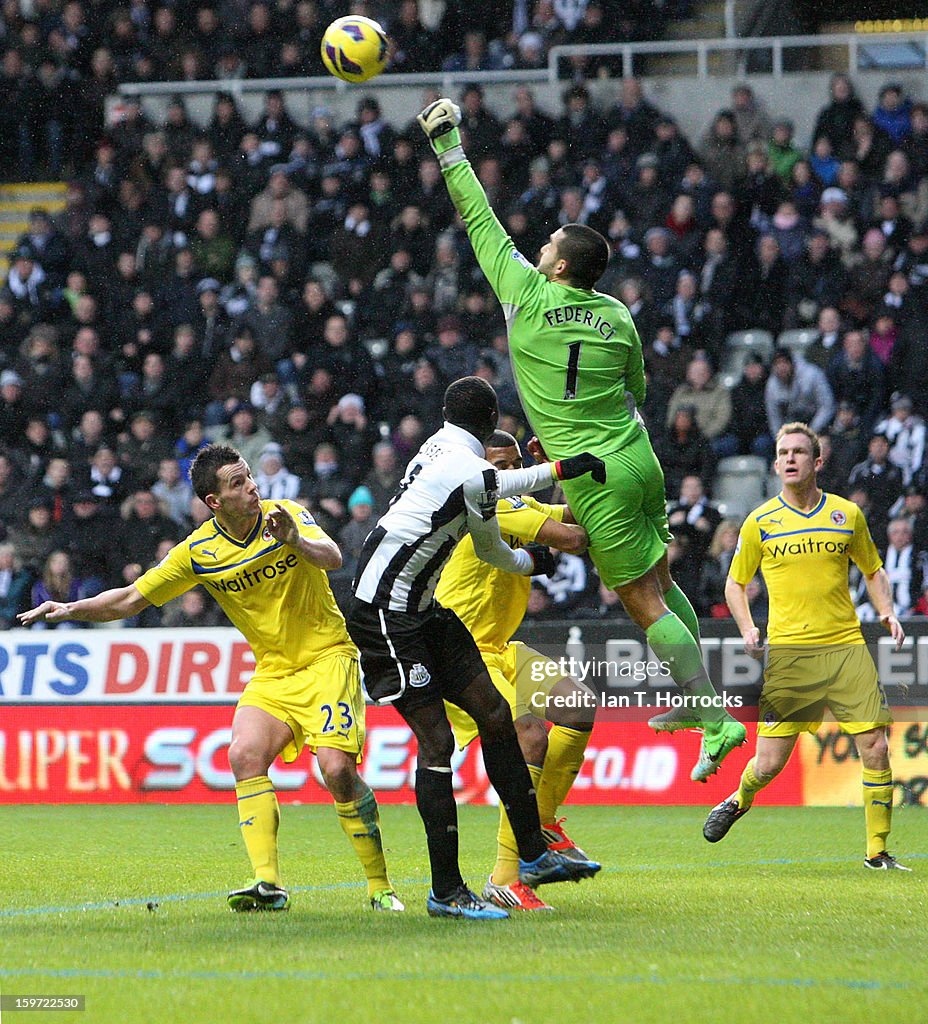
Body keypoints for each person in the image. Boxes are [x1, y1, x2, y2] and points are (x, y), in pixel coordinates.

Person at [417, 98, 746, 782]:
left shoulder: (528, 296)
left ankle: (715, 719)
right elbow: (643, 388)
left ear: (561, 268)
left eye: (546, 250)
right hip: (640, 453)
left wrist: (449, 146)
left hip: (596, 474)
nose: (537, 254)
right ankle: (698, 697)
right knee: (660, 576)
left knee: (641, 601)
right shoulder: (619, 314)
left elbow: (479, 218)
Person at [19, 444, 404, 913]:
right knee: (243, 754)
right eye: (238, 483)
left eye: (249, 477)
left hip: (328, 658)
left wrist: (294, 542)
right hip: (274, 672)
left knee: (338, 771)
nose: (252, 487)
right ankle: (268, 884)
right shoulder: (199, 551)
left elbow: (333, 557)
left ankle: (379, 886)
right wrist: (70, 608)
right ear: (214, 501)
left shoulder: (283, 515)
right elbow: (131, 599)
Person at [347, 376, 604, 920]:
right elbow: (552, 515)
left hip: (428, 612)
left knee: (500, 713)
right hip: (386, 613)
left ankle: (534, 847)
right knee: (439, 741)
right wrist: (564, 464)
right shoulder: (467, 469)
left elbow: (495, 549)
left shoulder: (451, 460)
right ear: (488, 431)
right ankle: (450, 889)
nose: (507, 472)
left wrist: (530, 562)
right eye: (502, 463)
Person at [704, 423, 909, 871]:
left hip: (846, 647)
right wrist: (746, 628)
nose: (790, 458)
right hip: (791, 656)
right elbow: (735, 584)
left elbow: (873, 570)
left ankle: (878, 852)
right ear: (776, 464)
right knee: (769, 763)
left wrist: (887, 611)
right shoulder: (760, 521)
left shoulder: (846, 515)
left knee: (874, 745)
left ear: (817, 462)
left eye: (799, 451)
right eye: (783, 453)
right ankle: (739, 799)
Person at [435, 430, 597, 912]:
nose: (503, 476)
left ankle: (542, 822)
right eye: (495, 467)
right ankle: (507, 876)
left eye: (512, 466)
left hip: (500, 647)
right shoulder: (486, 503)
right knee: (528, 735)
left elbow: (576, 514)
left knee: (578, 705)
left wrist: (559, 464)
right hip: (457, 650)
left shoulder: (519, 502)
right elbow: (575, 536)